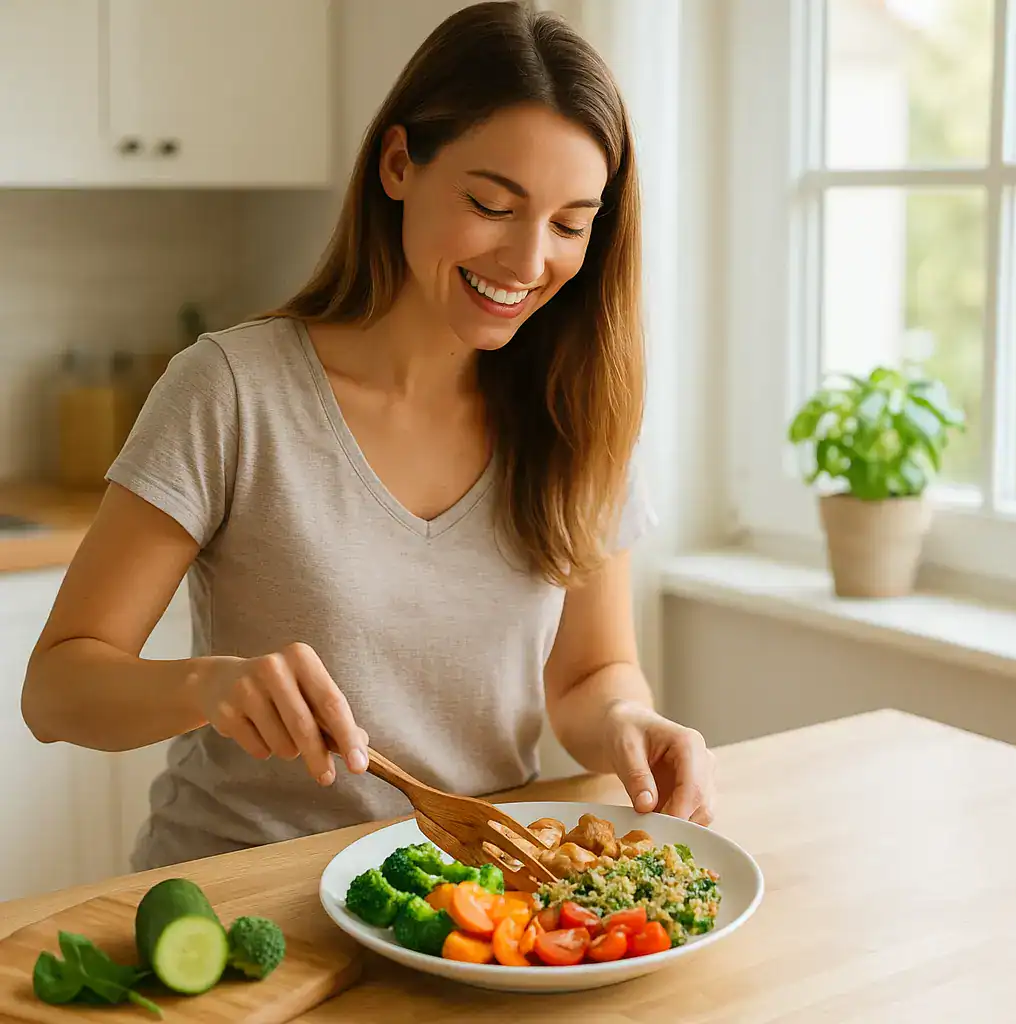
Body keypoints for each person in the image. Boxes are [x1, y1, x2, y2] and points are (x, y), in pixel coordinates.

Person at [20, 0, 715, 872]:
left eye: (571, 224)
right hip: (244, 890)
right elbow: (57, 690)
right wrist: (208, 684)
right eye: (492, 204)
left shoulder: (578, 410)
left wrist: (628, 721)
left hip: (470, 900)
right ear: (397, 165)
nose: (530, 261)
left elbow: (587, 677)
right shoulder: (233, 391)